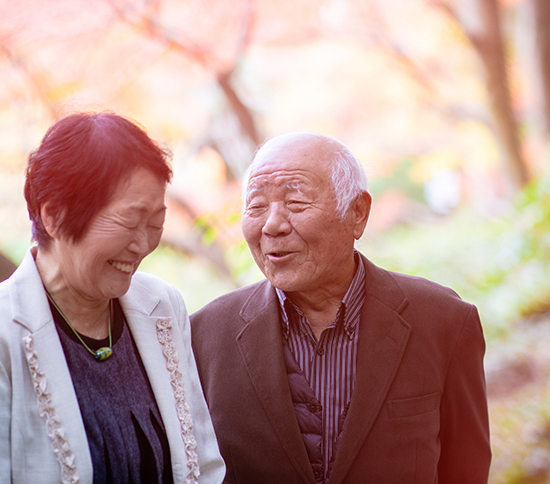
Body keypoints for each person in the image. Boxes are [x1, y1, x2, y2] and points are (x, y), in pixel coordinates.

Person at [191, 132, 491, 484]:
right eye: (256, 206)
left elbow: (466, 471)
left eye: (296, 203)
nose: (272, 224)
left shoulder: (443, 322)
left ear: (358, 213)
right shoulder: (205, 336)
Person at [0, 112, 225, 484]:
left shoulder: (162, 306)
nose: (143, 245)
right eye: (129, 221)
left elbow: (204, 466)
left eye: (155, 223)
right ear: (54, 216)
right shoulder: (6, 331)